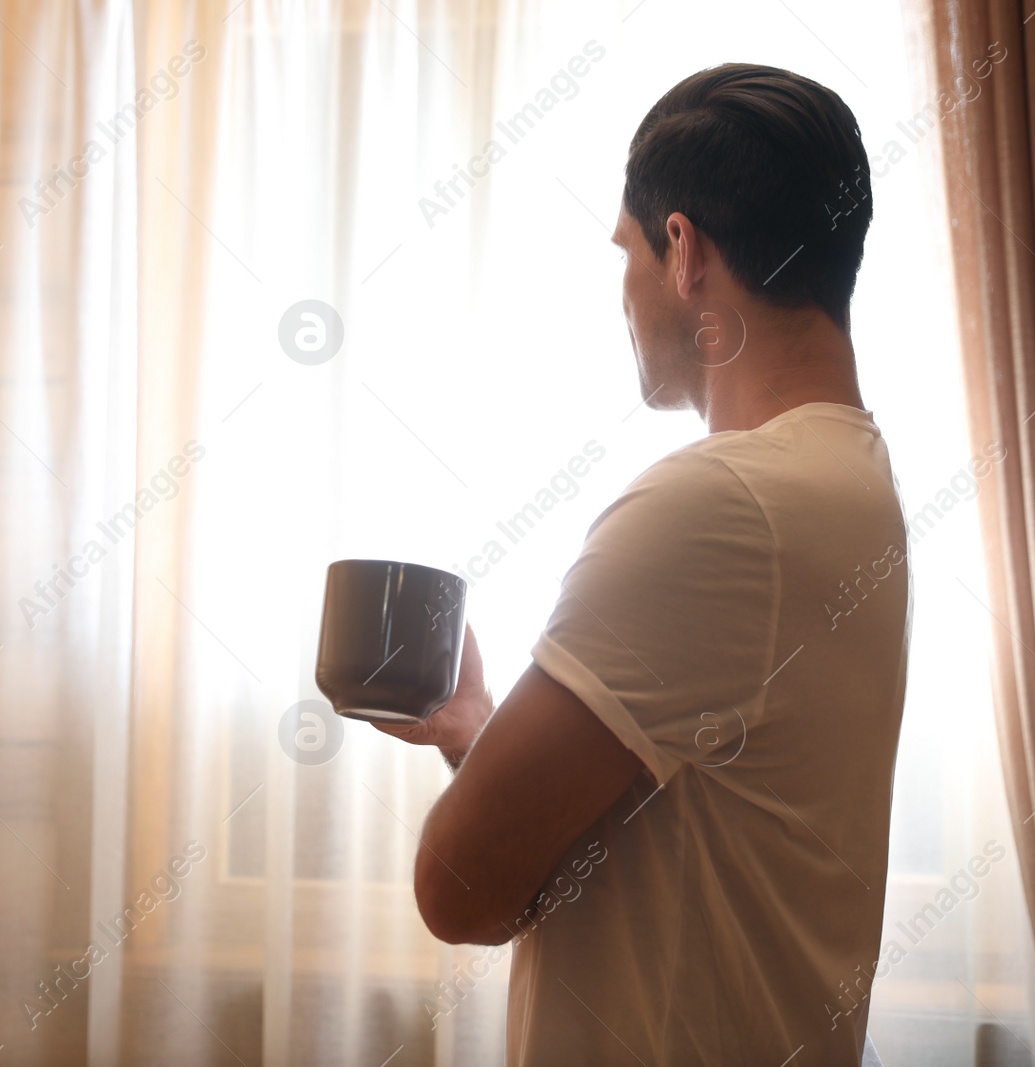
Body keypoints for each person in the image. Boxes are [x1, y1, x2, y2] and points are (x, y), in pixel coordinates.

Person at [375, 63, 910, 1066]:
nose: (621, 292)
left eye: (624, 249)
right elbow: (674, 826)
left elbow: (460, 893)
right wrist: (475, 730)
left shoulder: (717, 504)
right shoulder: (851, 479)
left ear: (683, 250)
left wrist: (480, 768)